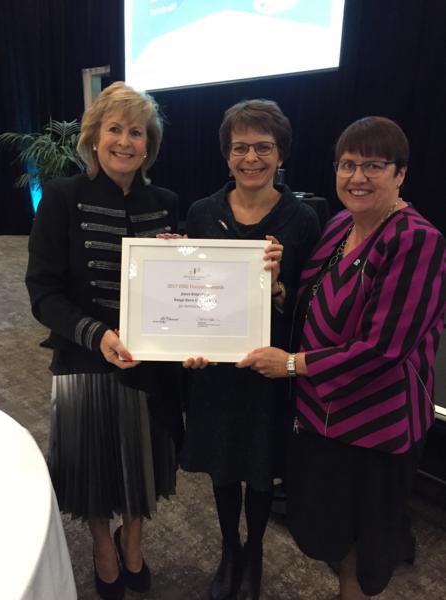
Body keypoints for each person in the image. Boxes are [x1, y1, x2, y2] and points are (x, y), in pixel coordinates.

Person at [238, 116, 446, 599]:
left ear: (400, 173)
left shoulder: (415, 239)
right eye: (348, 164)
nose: (358, 176)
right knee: (327, 530)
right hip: (321, 418)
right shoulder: (339, 226)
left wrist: (290, 364)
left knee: (365, 538)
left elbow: (383, 348)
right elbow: (309, 305)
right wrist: (278, 287)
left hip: (375, 428)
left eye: (373, 165)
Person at [25, 81, 183, 600]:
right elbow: (43, 292)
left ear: (148, 144)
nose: (125, 140)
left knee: (144, 465)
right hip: (84, 357)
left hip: (152, 364)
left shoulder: (166, 202)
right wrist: (98, 336)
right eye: (114, 129)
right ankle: (101, 544)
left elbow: (183, 289)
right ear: (94, 138)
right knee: (93, 470)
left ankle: (132, 538)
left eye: (136, 131)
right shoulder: (62, 198)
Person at [180, 99, 320, 600]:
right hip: (215, 368)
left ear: (281, 154)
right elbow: (192, 292)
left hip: (268, 368)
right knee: (222, 463)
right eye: (240, 147)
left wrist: (279, 290)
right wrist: (185, 339)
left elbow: (309, 308)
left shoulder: (303, 219)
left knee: (261, 468)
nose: (251, 158)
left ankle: (254, 548)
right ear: (226, 155)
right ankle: (228, 548)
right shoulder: (202, 212)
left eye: (263, 147)